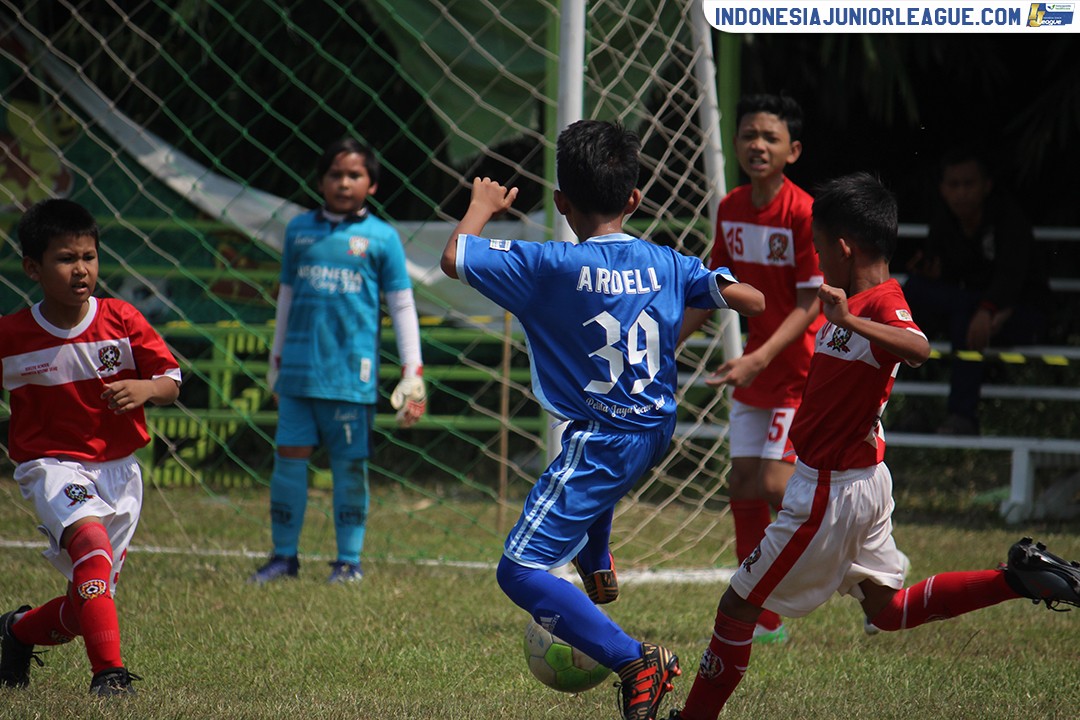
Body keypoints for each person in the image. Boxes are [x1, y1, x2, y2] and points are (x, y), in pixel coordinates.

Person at [668, 173, 1080, 720]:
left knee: (737, 605)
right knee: (886, 611)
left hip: (828, 492)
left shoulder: (882, 302)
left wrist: (849, 321)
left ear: (844, 248)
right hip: (856, 482)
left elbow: (918, 347)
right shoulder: (854, 300)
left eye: (818, 249)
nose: (816, 260)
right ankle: (1019, 578)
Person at [440, 120, 764, 720]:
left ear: (561, 204)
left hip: (605, 435)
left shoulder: (550, 265)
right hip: (654, 427)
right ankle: (595, 559)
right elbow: (751, 299)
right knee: (590, 458)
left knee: (519, 570)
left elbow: (455, 256)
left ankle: (634, 659)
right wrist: (702, 287)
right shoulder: (665, 261)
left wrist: (481, 206)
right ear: (635, 199)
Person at [0, 198, 182, 695]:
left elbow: (170, 379)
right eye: (66, 258)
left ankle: (14, 632)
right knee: (92, 550)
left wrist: (145, 389)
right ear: (32, 268)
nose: (81, 270)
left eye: (90, 256)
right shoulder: (12, 335)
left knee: (86, 605)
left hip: (120, 473)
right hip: (52, 467)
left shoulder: (121, 318)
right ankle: (110, 676)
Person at [249, 138, 427, 585]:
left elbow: (402, 307)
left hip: (351, 379)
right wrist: (276, 360)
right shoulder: (299, 230)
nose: (343, 182)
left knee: (349, 466)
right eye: (335, 174)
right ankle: (283, 558)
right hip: (298, 375)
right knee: (288, 460)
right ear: (321, 180)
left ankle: (348, 562)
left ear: (373, 184)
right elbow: (286, 296)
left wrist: (413, 372)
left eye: (354, 175)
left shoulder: (382, 238)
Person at [679, 93, 822, 644]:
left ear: (794, 150)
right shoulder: (732, 207)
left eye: (770, 137)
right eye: (748, 136)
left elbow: (811, 303)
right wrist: (668, 342)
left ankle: (843, 544)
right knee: (742, 483)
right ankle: (759, 614)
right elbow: (713, 286)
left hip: (798, 372)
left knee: (771, 483)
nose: (757, 145)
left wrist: (761, 356)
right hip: (754, 370)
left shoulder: (804, 212)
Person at [902, 148, 1052, 435]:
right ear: (942, 189)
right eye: (953, 185)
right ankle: (915, 408)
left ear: (986, 185)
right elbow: (944, 271)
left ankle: (962, 417)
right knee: (916, 292)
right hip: (969, 311)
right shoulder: (944, 220)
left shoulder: (1009, 219)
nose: (961, 193)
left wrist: (990, 307)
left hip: (1019, 313)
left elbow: (1013, 276)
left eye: (968, 184)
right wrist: (931, 271)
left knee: (965, 315)